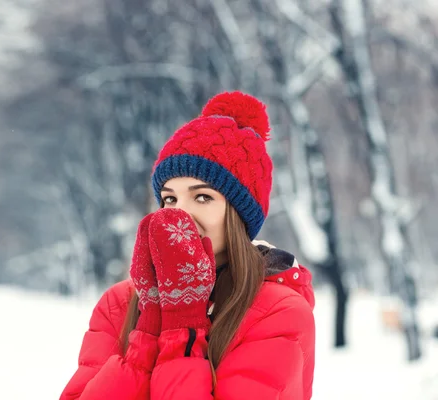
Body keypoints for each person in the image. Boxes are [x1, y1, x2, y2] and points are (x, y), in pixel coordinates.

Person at [60, 91, 316, 400]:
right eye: (170, 198)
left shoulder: (276, 312)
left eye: (203, 197)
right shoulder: (119, 303)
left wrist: (182, 329)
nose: (180, 213)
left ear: (239, 215)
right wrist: (148, 332)